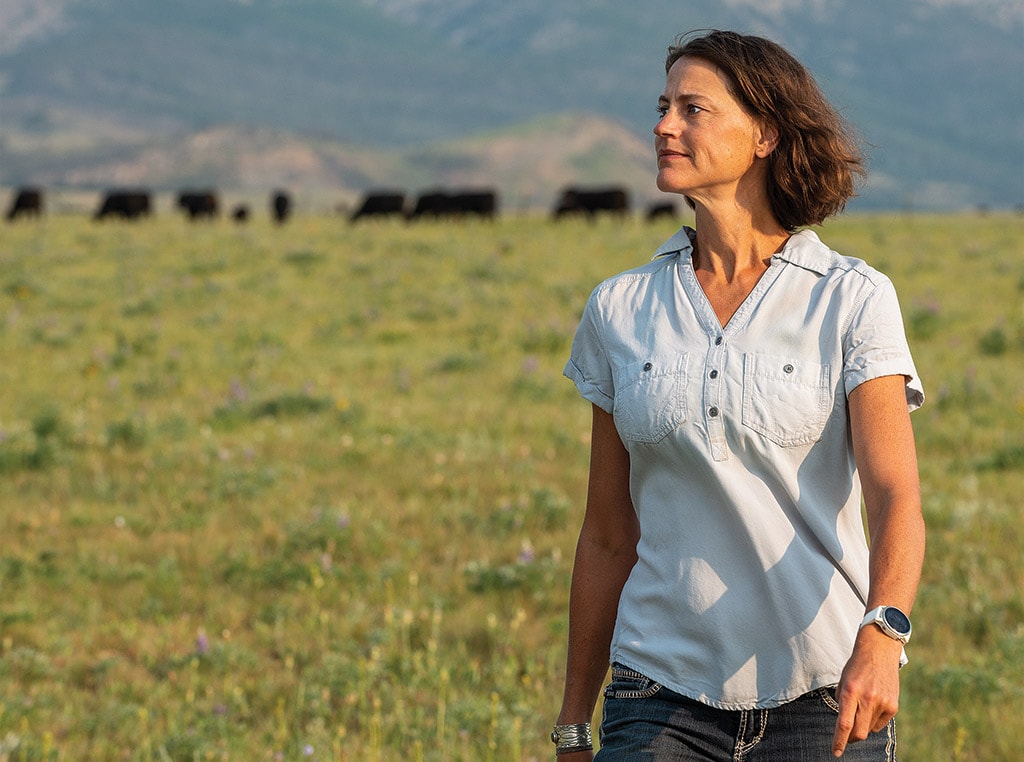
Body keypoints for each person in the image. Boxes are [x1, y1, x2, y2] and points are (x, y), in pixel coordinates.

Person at [552, 30, 925, 761]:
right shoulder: (619, 309)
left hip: (823, 698)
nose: (664, 125)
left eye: (693, 109)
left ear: (765, 135)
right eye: (663, 107)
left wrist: (884, 634)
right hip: (654, 697)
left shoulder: (850, 299)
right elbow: (605, 534)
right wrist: (573, 718)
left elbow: (895, 497)